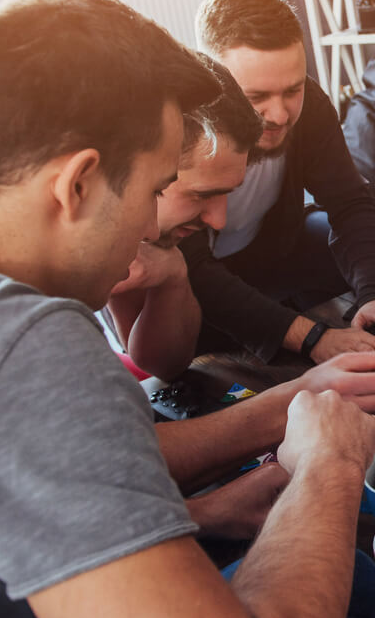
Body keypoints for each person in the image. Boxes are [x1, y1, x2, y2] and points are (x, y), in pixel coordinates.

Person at [0, 0, 375, 618]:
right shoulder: (21, 346)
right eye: (155, 189)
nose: (155, 228)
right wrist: (331, 463)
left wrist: (279, 413)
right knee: (346, 582)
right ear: (78, 184)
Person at [184, 0, 375, 363]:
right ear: (211, 76)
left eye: (291, 90)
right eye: (256, 98)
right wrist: (311, 336)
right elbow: (192, 271)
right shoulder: (180, 130)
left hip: (274, 249)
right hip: (196, 282)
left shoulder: (309, 104)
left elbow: (349, 202)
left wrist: (374, 295)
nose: (280, 115)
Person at [107, 53, 262, 380]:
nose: (218, 221)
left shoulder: (150, 233)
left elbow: (163, 364)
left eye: (227, 194)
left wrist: (174, 274)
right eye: (202, 195)